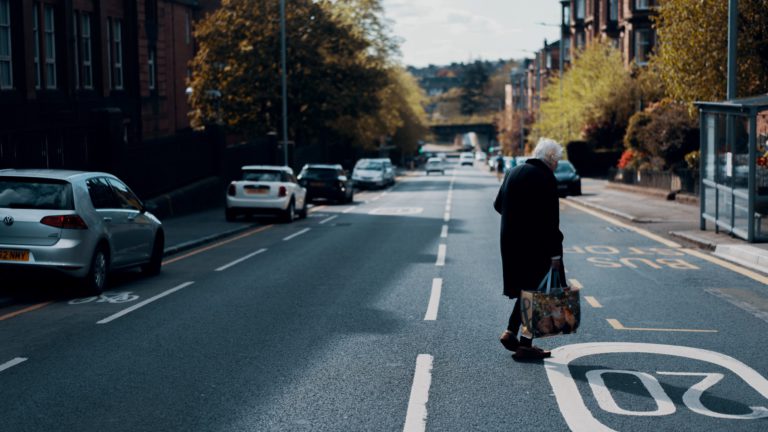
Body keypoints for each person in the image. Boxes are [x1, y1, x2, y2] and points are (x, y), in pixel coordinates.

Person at [493, 138, 565, 361]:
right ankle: (523, 343)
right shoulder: (546, 178)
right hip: (537, 245)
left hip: (511, 243)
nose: (557, 166)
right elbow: (551, 221)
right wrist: (555, 254)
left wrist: (516, 216)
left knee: (528, 290)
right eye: (557, 161)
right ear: (551, 159)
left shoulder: (513, 172)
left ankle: (512, 334)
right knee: (537, 292)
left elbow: (498, 205)